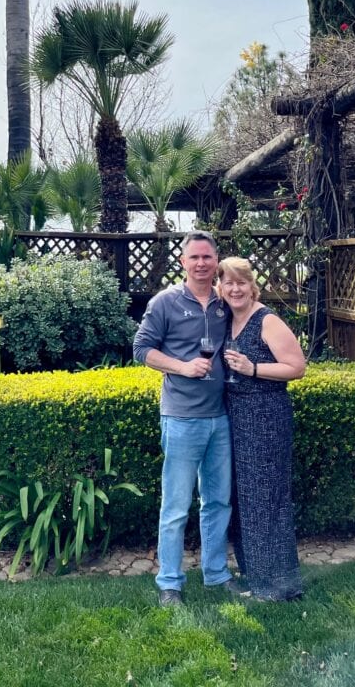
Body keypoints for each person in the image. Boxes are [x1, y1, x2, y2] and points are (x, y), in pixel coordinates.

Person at [133, 229, 243, 606]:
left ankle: (216, 574)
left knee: (218, 502)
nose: (201, 264)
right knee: (176, 505)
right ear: (183, 262)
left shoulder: (224, 301)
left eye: (207, 257)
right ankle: (169, 583)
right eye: (194, 257)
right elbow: (141, 349)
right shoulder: (165, 302)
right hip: (181, 417)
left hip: (221, 417)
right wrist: (181, 367)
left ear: (216, 261)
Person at [217, 256, 306, 601]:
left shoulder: (266, 320)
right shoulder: (228, 321)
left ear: (252, 286)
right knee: (245, 499)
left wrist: (253, 368)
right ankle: (257, 576)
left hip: (266, 417)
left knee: (266, 499)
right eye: (228, 283)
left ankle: (279, 586)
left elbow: (297, 367)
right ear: (221, 288)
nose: (235, 289)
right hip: (236, 417)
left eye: (241, 282)